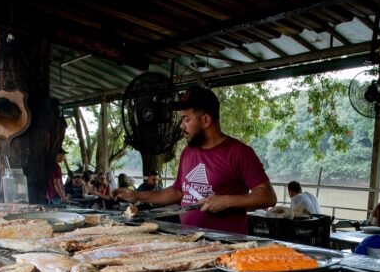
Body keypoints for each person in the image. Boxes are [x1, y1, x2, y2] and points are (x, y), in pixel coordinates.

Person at [114, 86, 276, 234]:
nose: (181, 126)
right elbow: (178, 191)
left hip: (226, 244)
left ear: (205, 120)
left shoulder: (239, 152)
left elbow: (268, 196)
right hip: (189, 239)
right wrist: (138, 196)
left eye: (186, 119)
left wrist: (226, 201)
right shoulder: (188, 152)